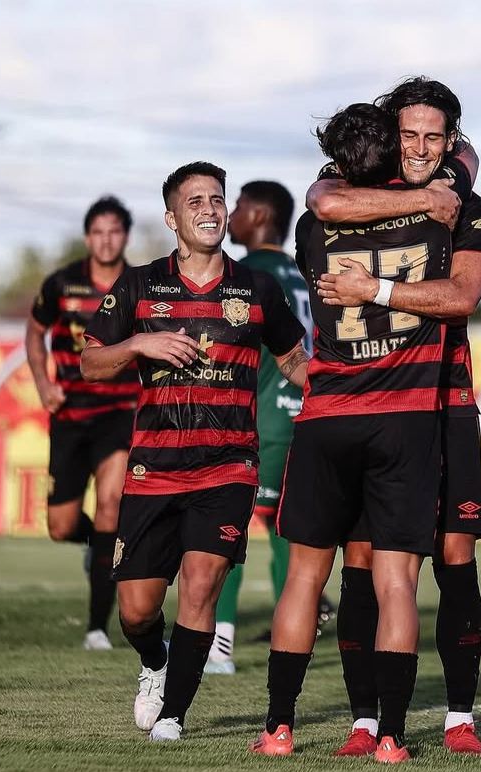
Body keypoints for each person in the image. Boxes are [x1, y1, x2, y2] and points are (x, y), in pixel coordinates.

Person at [249, 102, 467, 764]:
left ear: (337, 160)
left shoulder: (317, 221)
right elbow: (461, 163)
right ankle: (393, 740)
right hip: (405, 419)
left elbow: (328, 198)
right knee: (396, 581)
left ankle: (279, 729)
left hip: (326, 416)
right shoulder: (438, 208)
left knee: (304, 581)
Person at [80, 162, 309, 743]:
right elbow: (90, 360)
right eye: (195, 202)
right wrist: (138, 343)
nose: (209, 209)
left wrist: (350, 392)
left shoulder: (256, 287)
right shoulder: (137, 285)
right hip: (152, 469)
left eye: (216, 199)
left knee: (203, 584)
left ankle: (174, 715)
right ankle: (154, 661)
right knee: (135, 610)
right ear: (172, 218)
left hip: (228, 467)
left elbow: (294, 362)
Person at [308, 76, 481, 757]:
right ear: (391, 136)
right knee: (360, 558)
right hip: (372, 404)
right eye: (408, 134)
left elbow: (462, 296)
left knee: (454, 554)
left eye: (434, 136)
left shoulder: (471, 203)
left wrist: (376, 287)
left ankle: (458, 716)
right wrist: (426, 198)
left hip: (444, 406)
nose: (420, 148)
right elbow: (320, 197)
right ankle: (365, 720)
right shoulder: (361, 187)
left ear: (451, 140)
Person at [205, 180, 332, 675]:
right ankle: (290, 640)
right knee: (284, 533)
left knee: (226, 524)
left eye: (235, 206)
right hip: (303, 413)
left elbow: (221, 344)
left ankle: (217, 647)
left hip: (263, 418)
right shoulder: (303, 274)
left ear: (259, 215)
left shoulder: (248, 272)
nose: (228, 215)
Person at [25, 195, 140, 651]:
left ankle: (96, 627)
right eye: (98, 231)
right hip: (71, 416)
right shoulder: (62, 284)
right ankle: (97, 543)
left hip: (121, 412)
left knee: (112, 502)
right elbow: (34, 331)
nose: (106, 239)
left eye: (114, 231)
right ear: (87, 236)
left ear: (125, 236)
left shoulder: (140, 284)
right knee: (61, 526)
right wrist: (41, 381)